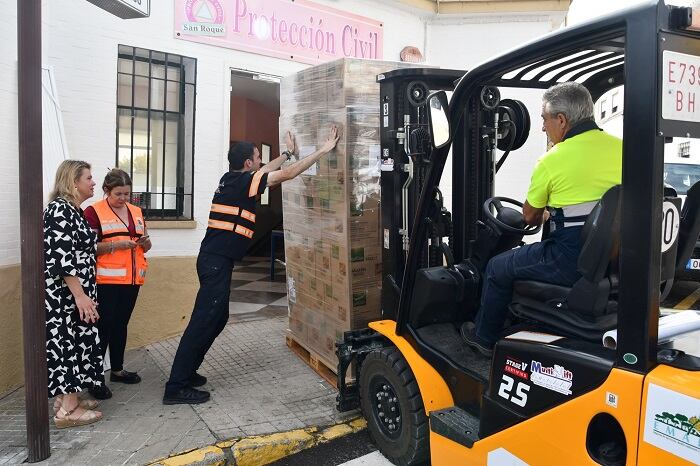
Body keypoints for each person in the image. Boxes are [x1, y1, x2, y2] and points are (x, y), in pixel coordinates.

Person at [163, 125, 340, 404]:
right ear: (248, 163)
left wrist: (286, 153)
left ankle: (188, 372)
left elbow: (266, 170)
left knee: (216, 319)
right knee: (203, 321)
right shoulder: (243, 182)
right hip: (215, 262)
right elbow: (288, 174)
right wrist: (323, 150)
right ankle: (176, 386)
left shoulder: (233, 178)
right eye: (257, 157)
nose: (260, 161)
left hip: (215, 260)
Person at [461, 82, 623, 356]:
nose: (542, 128)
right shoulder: (623, 150)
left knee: (498, 267)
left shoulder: (552, 160)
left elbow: (529, 216)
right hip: (615, 259)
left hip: (570, 259)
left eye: (544, 120)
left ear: (562, 120)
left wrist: (545, 213)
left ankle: (483, 339)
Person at [44, 160, 104, 428]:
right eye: (89, 178)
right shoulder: (59, 210)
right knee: (68, 344)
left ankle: (67, 399)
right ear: (73, 181)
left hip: (76, 292)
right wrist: (80, 296)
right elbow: (61, 258)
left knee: (77, 342)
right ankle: (67, 412)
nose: (93, 182)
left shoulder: (73, 210)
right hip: (66, 296)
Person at [84, 169, 152, 399]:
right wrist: (118, 245)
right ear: (106, 191)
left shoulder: (136, 211)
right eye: (118, 194)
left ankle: (118, 370)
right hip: (106, 281)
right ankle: (95, 379)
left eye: (127, 194)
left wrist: (144, 242)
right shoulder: (94, 212)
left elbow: (147, 245)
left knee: (120, 325)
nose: (123, 198)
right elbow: (88, 247)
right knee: (103, 328)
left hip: (132, 280)